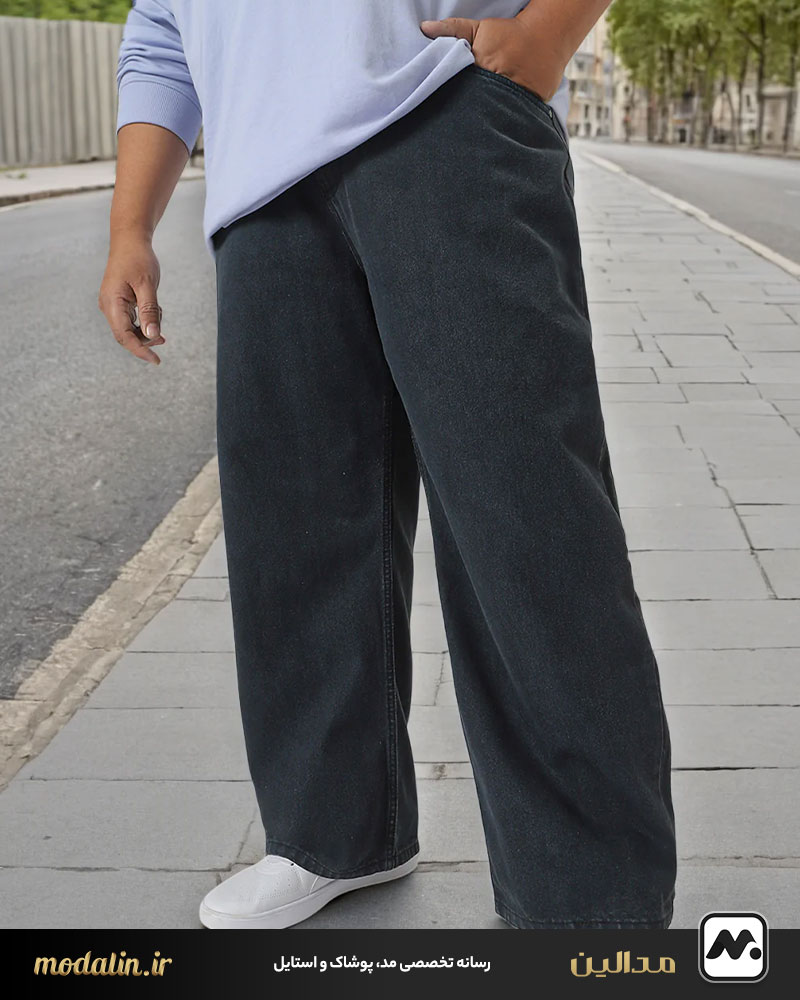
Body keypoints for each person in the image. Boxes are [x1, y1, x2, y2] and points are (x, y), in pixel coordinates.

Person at [99, 0, 676, 931]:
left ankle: (588, 905)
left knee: (526, 521)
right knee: (295, 537)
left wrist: (547, 36)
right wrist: (132, 225)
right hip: (258, 180)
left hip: (443, 116)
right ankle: (334, 835)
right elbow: (162, 28)